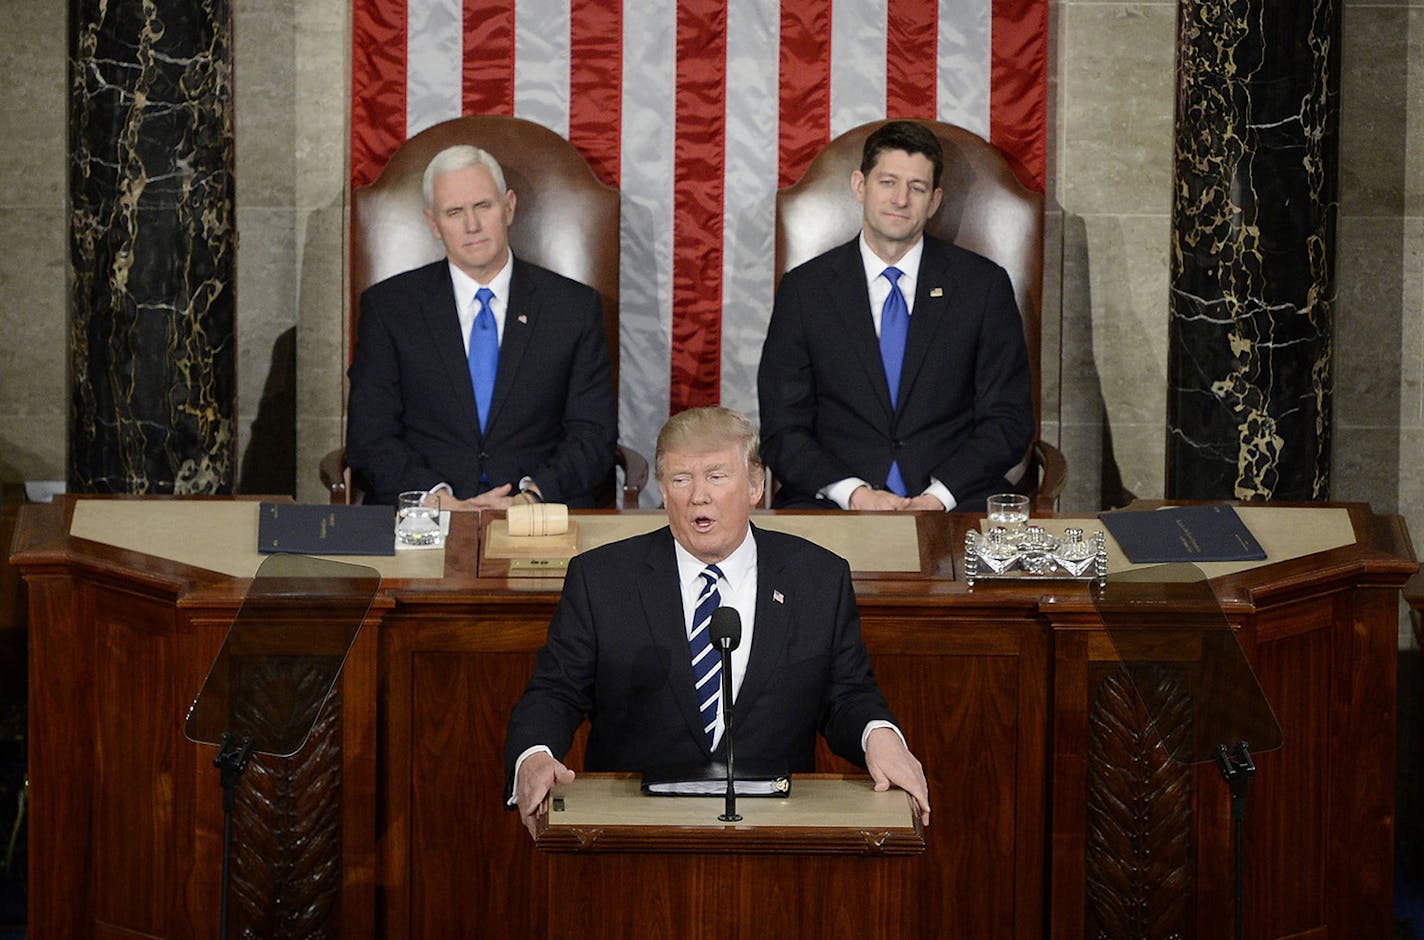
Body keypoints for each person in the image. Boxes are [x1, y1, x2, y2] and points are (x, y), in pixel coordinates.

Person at [504, 406, 931, 838]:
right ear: (663, 492)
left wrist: (879, 735)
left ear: (755, 486)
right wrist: (534, 755)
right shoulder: (602, 579)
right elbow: (555, 692)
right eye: (681, 479)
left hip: (777, 834)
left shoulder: (816, 577)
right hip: (634, 836)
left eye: (716, 476)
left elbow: (847, 695)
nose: (698, 496)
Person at [757, 120, 1036, 514]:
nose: (900, 199)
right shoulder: (805, 290)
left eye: (917, 188)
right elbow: (782, 429)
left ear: (935, 200)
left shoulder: (983, 287)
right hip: (835, 506)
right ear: (860, 186)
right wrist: (853, 493)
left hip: (955, 504)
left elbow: (1008, 421)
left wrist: (939, 497)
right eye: (888, 182)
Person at [345, 144, 617, 509]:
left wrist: (532, 497)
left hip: (538, 515)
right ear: (433, 224)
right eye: (454, 212)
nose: (471, 225)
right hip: (424, 517)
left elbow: (593, 435)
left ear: (508, 207)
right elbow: (370, 435)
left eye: (482, 207)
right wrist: (434, 498)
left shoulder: (572, 308)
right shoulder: (390, 308)